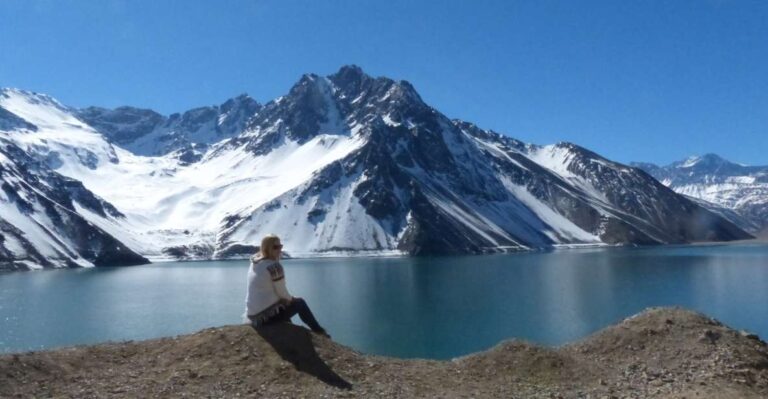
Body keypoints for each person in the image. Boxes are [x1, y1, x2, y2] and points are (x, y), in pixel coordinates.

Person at [245, 234, 330, 338]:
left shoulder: (255, 262)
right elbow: (282, 293)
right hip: (264, 318)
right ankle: (319, 331)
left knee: (283, 305)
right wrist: (292, 298)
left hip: (252, 316)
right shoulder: (274, 267)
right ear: (267, 248)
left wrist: (287, 299)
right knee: (300, 303)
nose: (279, 249)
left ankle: (290, 329)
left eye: (280, 246)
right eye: (275, 247)